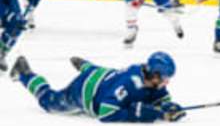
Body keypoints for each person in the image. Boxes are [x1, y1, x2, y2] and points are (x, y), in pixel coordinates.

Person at [10, 51, 186, 123]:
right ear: (153, 74)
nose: (166, 83)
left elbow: (160, 97)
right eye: (164, 78)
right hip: (85, 90)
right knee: (49, 101)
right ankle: (24, 73)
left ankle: (86, 66)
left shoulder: (145, 73)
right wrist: (136, 114)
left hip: (103, 75)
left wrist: (166, 108)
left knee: (102, 73)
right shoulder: (128, 85)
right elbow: (106, 113)